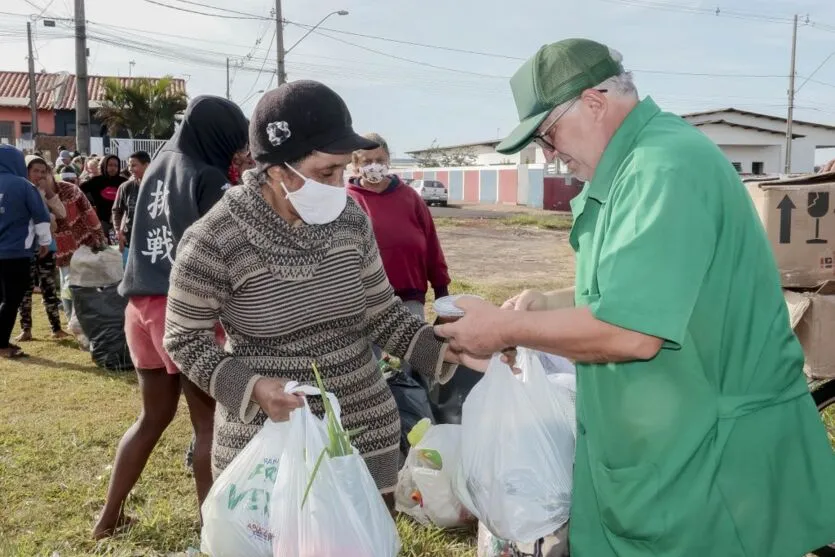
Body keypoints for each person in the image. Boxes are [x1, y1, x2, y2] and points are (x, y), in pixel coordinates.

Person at [434, 38, 835, 557]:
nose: (550, 156)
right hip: (665, 452)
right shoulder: (632, 168)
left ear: (595, 103)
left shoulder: (661, 168)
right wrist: (545, 306)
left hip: (710, 467)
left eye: (549, 135)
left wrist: (503, 330)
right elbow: (641, 289)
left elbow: (632, 328)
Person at [163, 81, 481, 509]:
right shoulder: (216, 238)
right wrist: (253, 388)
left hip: (365, 426)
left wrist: (446, 350)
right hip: (272, 438)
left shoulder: (349, 218)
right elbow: (184, 338)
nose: (338, 184)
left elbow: (381, 313)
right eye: (324, 173)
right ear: (277, 170)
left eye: (341, 170)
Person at [94, 95, 250, 539]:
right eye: (235, 140)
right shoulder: (207, 174)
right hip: (184, 311)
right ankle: (212, 532)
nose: (237, 149)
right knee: (209, 425)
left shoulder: (160, 164)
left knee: (152, 418)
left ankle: (108, 520)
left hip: (140, 306)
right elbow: (232, 246)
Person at [348, 133, 450, 319]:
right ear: (355, 165)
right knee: (368, 350)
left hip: (409, 295)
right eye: (367, 161)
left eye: (379, 159)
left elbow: (431, 244)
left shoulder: (410, 197)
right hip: (363, 300)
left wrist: (441, 290)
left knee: (415, 347)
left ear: (388, 160)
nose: (374, 165)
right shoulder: (346, 200)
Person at [0, 145, 52, 359]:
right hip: (15, 253)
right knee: (11, 300)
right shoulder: (23, 186)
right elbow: (41, 217)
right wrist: (45, 242)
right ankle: (2, 345)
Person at [15, 156, 69, 342]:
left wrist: (48, 194)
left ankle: (56, 328)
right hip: (25, 247)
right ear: (27, 171)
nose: (39, 175)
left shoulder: (46, 192)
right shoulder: (20, 189)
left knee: (49, 287)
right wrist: (49, 218)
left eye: (43, 171)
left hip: (48, 246)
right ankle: (26, 329)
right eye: (35, 171)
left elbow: (62, 213)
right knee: (25, 288)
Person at [50, 164, 107, 319]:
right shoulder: (34, 193)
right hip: (59, 248)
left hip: (83, 242)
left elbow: (89, 213)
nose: (41, 177)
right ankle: (72, 320)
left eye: (44, 172)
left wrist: (99, 236)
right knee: (67, 283)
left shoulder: (71, 190)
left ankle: (84, 317)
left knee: (83, 282)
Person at [112, 151, 151, 267]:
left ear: (147, 165)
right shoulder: (126, 187)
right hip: (129, 238)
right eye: (129, 165)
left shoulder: (159, 185)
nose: (130, 169)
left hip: (152, 240)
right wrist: (118, 231)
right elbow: (116, 210)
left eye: (134, 165)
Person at [81, 154, 125, 242]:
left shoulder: (123, 182)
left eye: (116, 165)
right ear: (104, 165)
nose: (113, 168)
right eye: (110, 165)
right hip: (100, 220)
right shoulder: (95, 181)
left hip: (119, 221)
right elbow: (79, 192)